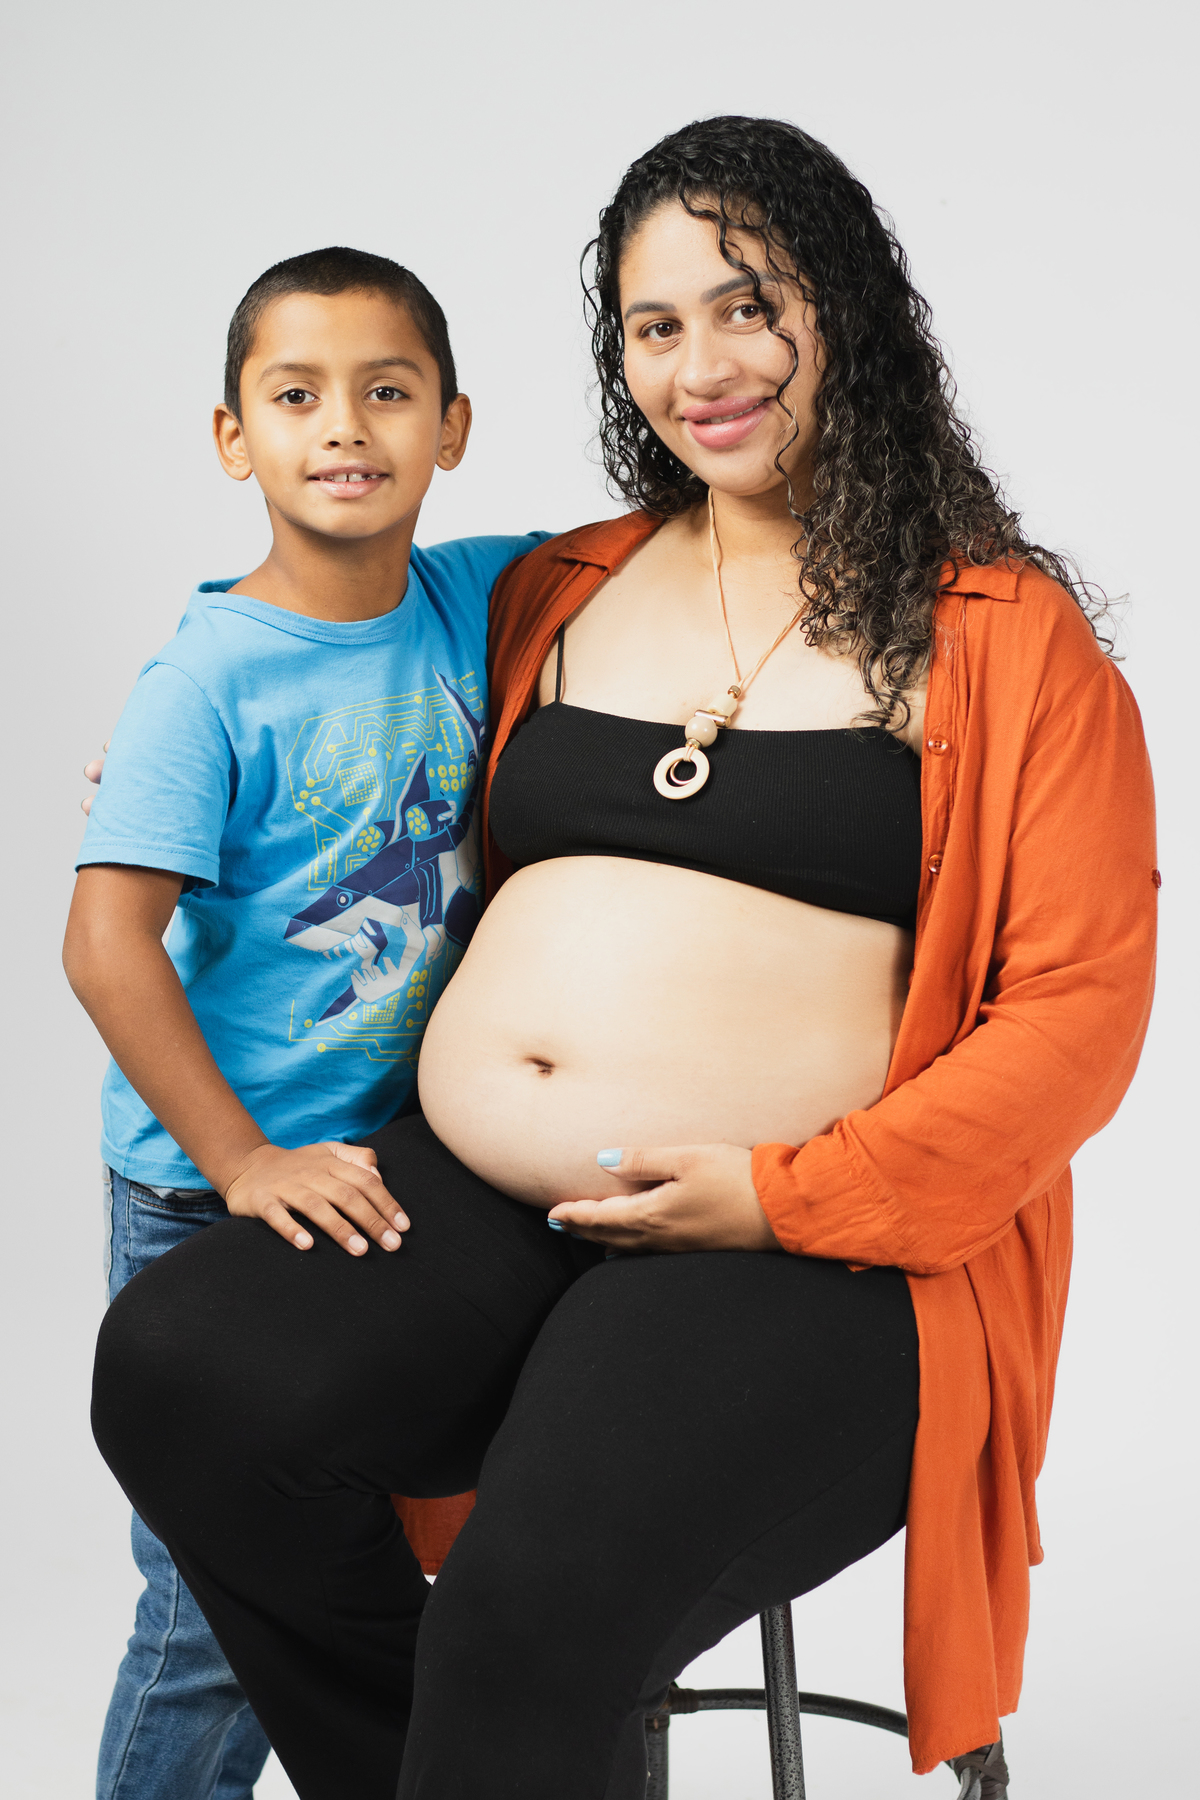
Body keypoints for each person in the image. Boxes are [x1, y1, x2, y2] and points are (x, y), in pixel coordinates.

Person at [89, 116, 1157, 1800]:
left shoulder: (1007, 640)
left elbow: (1079, 1017)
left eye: (748, 308)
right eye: (655, 327)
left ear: (847, 314)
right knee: (182, 1374)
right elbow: (352, 661)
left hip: (816, 1246)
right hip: (483, 1197)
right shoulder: (562, 583)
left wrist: (786, 1195)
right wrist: (180, 772)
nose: (700, 367)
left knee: (530, 1597)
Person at [64, 245, 546, 1800]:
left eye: (387, 392)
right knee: (211, 1619)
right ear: (234, 438)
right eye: (296, 396)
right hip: (214, 1188)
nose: (344, 425)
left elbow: (660, 540)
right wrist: (245, 1159)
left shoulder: (473, 594)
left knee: (346, 1558)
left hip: (391, 1176)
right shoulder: (204, 681)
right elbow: (103, 946)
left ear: (452, 427)